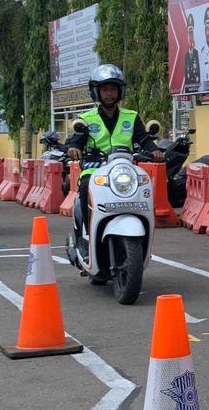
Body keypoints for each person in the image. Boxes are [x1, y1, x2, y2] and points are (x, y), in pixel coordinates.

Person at [64, 65, 155, 277]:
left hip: (124, 172)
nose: (109, 93)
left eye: (113, 89)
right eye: (104, 89)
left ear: (120, 91)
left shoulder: (131, 117)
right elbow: (76, 140)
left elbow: (144, 140)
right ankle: (86, 237)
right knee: (86, 189)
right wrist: (75, 148)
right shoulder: (86, 119)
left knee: (144, 188)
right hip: (94, 173)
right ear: (96, 92)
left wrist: (155, 151)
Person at [183, 14, 201, 92]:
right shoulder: (186, 55)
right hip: (188, 86)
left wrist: (197, 84)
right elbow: (185, 72)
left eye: (192, 34)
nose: (190, 38)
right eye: (189, 34)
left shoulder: (197, 53)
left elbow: (198, 70)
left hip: (195, 85)